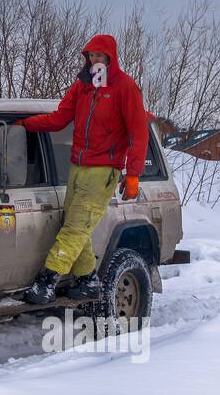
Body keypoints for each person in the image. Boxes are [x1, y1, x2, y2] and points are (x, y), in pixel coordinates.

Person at [18, 33, 149, 304]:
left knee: (74, 229)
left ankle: (47, 282)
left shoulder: (125, 88)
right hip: (78, 166)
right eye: (91, 56)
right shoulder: (82, 87)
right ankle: (88, 280)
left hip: (103, 171)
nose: (94, 60)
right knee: (74, 225)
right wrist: (25, 125)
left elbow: (139, 132)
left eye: (99, 56)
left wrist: (134, 173)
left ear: (111, 58)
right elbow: (59, 119)